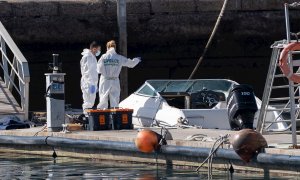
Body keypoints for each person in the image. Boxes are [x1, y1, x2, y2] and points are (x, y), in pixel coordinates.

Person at [97, 40, 141, 109]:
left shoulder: (103, 57)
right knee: (115, 99)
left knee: (103, 99)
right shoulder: (119, 57)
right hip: (115, 81)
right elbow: (131, 64)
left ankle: (103, 116)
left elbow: (98, 69)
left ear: (107, 47)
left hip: (105, 80)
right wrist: (137, 60)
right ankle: (114, 116)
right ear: (115, 47)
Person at [80, 41, 101, 113]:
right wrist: (92, 83)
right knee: (88, 101)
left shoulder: (92, 56)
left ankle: (87, 116)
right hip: (88, 83)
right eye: (98, 49)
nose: (99, 51)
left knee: (90, 101)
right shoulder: (88, 57)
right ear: (94, 49)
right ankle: (86, 116)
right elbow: (88, 72)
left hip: (91, 83)